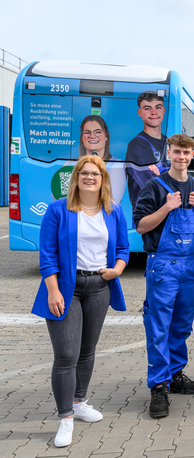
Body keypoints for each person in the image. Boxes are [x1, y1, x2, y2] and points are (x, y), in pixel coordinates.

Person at [32, 155, 129, 447]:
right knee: (66, 355)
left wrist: (118, 269)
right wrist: (53, 290)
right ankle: (65, 419)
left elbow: (124, 247)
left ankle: (79, 402)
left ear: (103, 180)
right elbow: (47, 255)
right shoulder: (58, 210)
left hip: (100, 286)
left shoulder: (113, 211)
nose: (89, 178)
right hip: (66, 288)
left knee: (87, 351)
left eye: (95, 174)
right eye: (84, 173)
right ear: (76, 178)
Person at [133, 133, 194, 419]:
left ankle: (176, 375)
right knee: (159, 327)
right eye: (177, 152)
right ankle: (158, 388)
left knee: (182, 324)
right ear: (169, 153)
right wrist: (166, 207)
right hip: (163, 264)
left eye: (187, 153)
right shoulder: (154, 186)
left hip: (190, 264)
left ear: (192, 156)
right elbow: (140, 226)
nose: (182, 157)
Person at [126, 91, 169, 210]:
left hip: (166, 212)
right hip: (146, 214)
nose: (154, 112)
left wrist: (161, 174)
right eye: (147, 108)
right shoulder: (137, 145)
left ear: (163, 110)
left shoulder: (169, 142)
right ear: (140, 112)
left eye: (158, 107)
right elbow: (151, 185)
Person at [78, 115, 126, 204]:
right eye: (87, 132)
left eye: (98, 132)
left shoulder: (117, 165)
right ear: (81, 138)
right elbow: (60, 199)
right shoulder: (70, 164)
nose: (92, 136)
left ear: (106, 136)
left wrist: (78, 195)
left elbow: (111, 202)